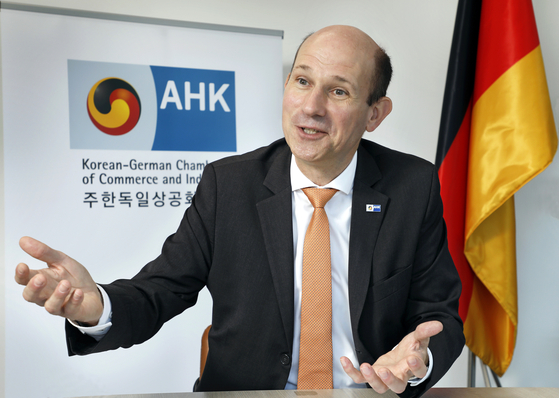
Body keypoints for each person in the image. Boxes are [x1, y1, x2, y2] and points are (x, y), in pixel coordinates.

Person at [15, 25, 464, 397]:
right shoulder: (228, 185)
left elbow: (440, 316)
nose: (311, 107)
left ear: (375, 114)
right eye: (302, 81)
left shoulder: (412, 186)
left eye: (339, 91)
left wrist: (418, 361)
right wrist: (97, 307)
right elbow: (159, 292)